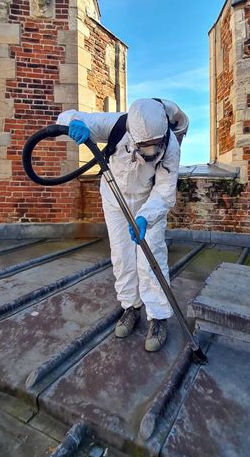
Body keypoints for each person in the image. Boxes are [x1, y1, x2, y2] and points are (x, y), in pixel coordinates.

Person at [56, 98, 188, 352]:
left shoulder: (170, 145)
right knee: (121, 254)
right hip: (114, 199)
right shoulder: (117, 124)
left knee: (151, 257)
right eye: (144, 147)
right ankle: (130, 306)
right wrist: (73, 124)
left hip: (148, 202)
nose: (150, 153)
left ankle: (158, 317)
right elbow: (67, 115)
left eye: (154, 147)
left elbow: (164, 191)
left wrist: (145, 217)